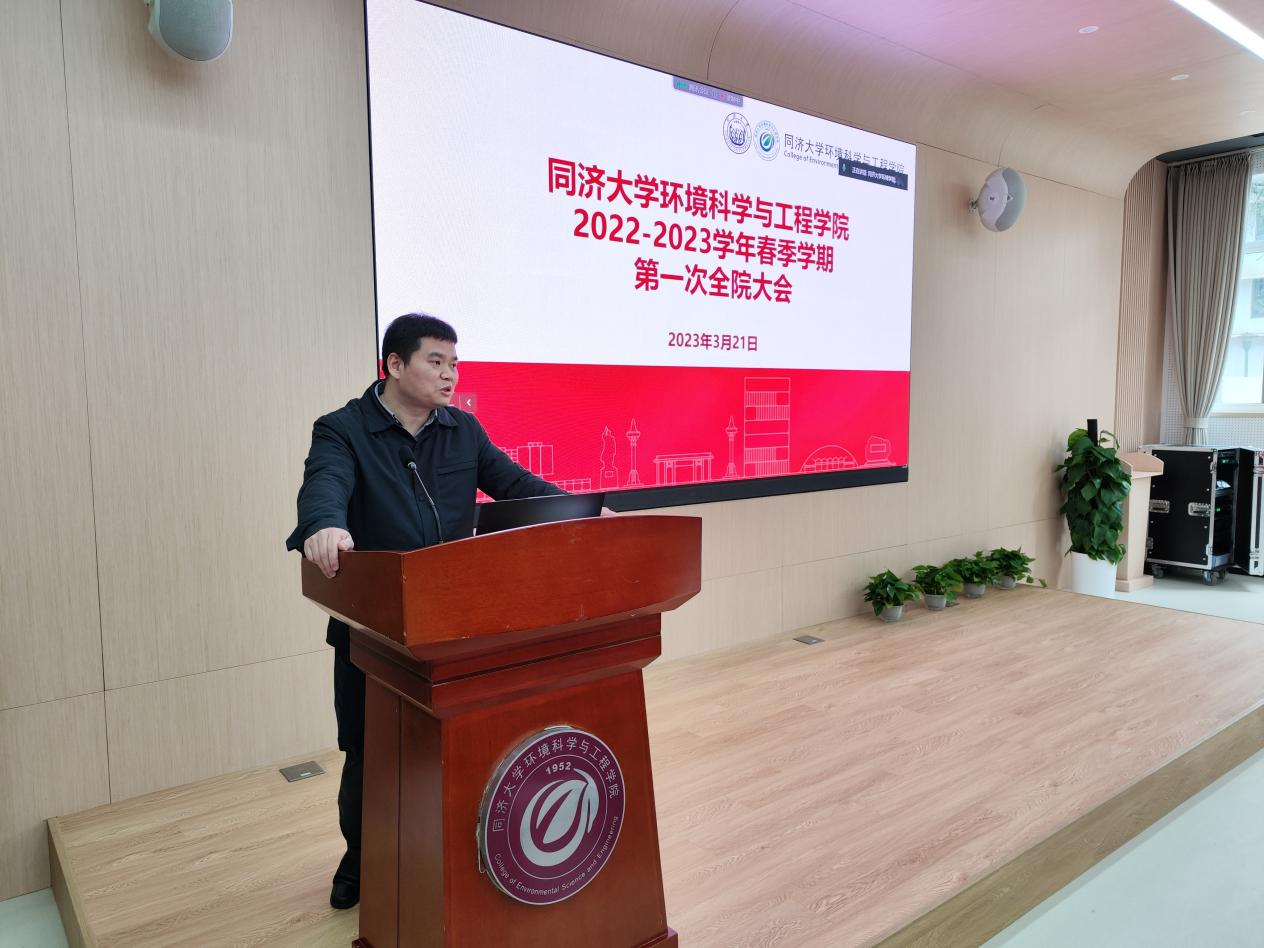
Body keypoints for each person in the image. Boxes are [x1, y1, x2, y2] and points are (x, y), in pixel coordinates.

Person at [285, 312, 564, 910]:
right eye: (435, 361)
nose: (449, 375)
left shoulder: (463, 430)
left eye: (454, 364)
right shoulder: (343, 429)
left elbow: (516, 485)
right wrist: (325, 525)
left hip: (458, 624)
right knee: (370, 751)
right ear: (394, 364)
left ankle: (453, 853)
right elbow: (324, 485)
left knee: (461, 741)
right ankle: (362, 860)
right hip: (375, 629)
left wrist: (581, 512)